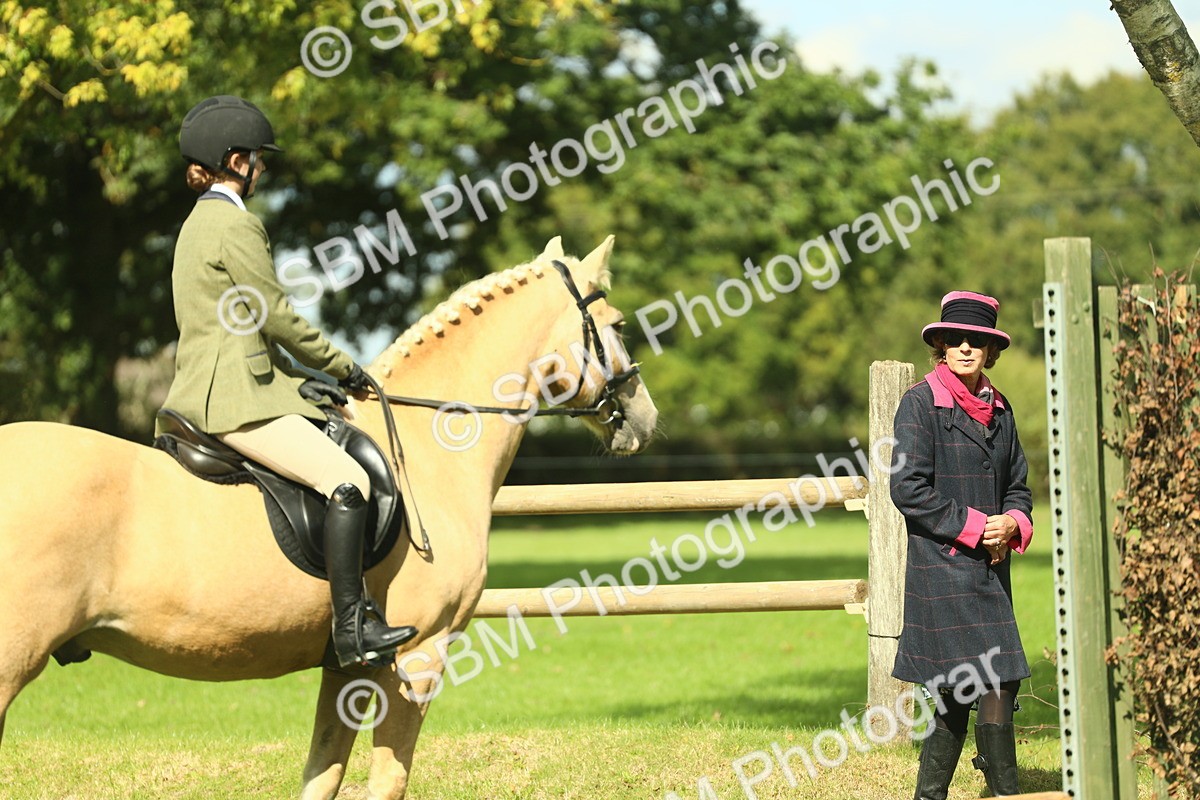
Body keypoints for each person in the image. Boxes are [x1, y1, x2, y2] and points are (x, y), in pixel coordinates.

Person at [155, 95, 417, 668]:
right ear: (235, 160)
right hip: (232, 401)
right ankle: (351, 627)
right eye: (258, 158)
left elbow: (242, 330)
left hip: (207, 388)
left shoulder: (196, 224)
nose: (262, 169)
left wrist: (301, 379)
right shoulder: (236, 225)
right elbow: (275, 316)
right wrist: (343, 367)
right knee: (347, 479)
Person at [890, 291, 1034, 799]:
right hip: (943, 567)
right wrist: (977, 527)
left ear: (990, 350)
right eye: (956, 339)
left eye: (976, 340)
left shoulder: (1001, 408)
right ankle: (1002, 793)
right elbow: (907, 488)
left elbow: (1018, 485)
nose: (966, 348)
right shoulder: (919, 403)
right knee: (979, 682)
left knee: (979, 684)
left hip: (990, 568)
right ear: (943, 347)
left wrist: (1012, 522)